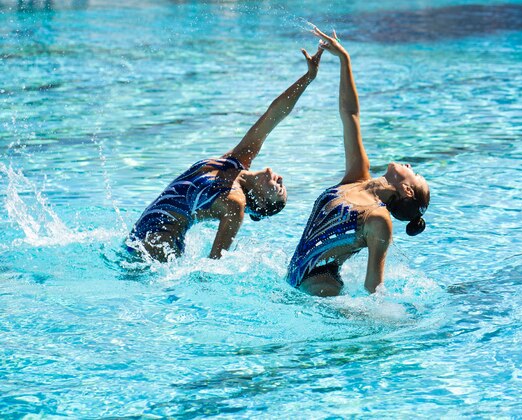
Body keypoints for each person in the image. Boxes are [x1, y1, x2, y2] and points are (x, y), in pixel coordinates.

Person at [127, 46, 324, 262]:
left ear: (261, 202)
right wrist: (308, 77)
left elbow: (215, 262)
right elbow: (274, 115)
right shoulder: (237, 161)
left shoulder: (235, 202)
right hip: (136, 238)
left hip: (158, 248)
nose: (282, 180)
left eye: (280, 190)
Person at [287, 28, 430, 296]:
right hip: (295, 280)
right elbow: (350, 113)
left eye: (415, 174)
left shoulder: (378, 218)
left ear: (407, 190)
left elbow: (373, 288)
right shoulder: (356, 177)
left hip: (321, 286)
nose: (410, 166)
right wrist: (343, 60)